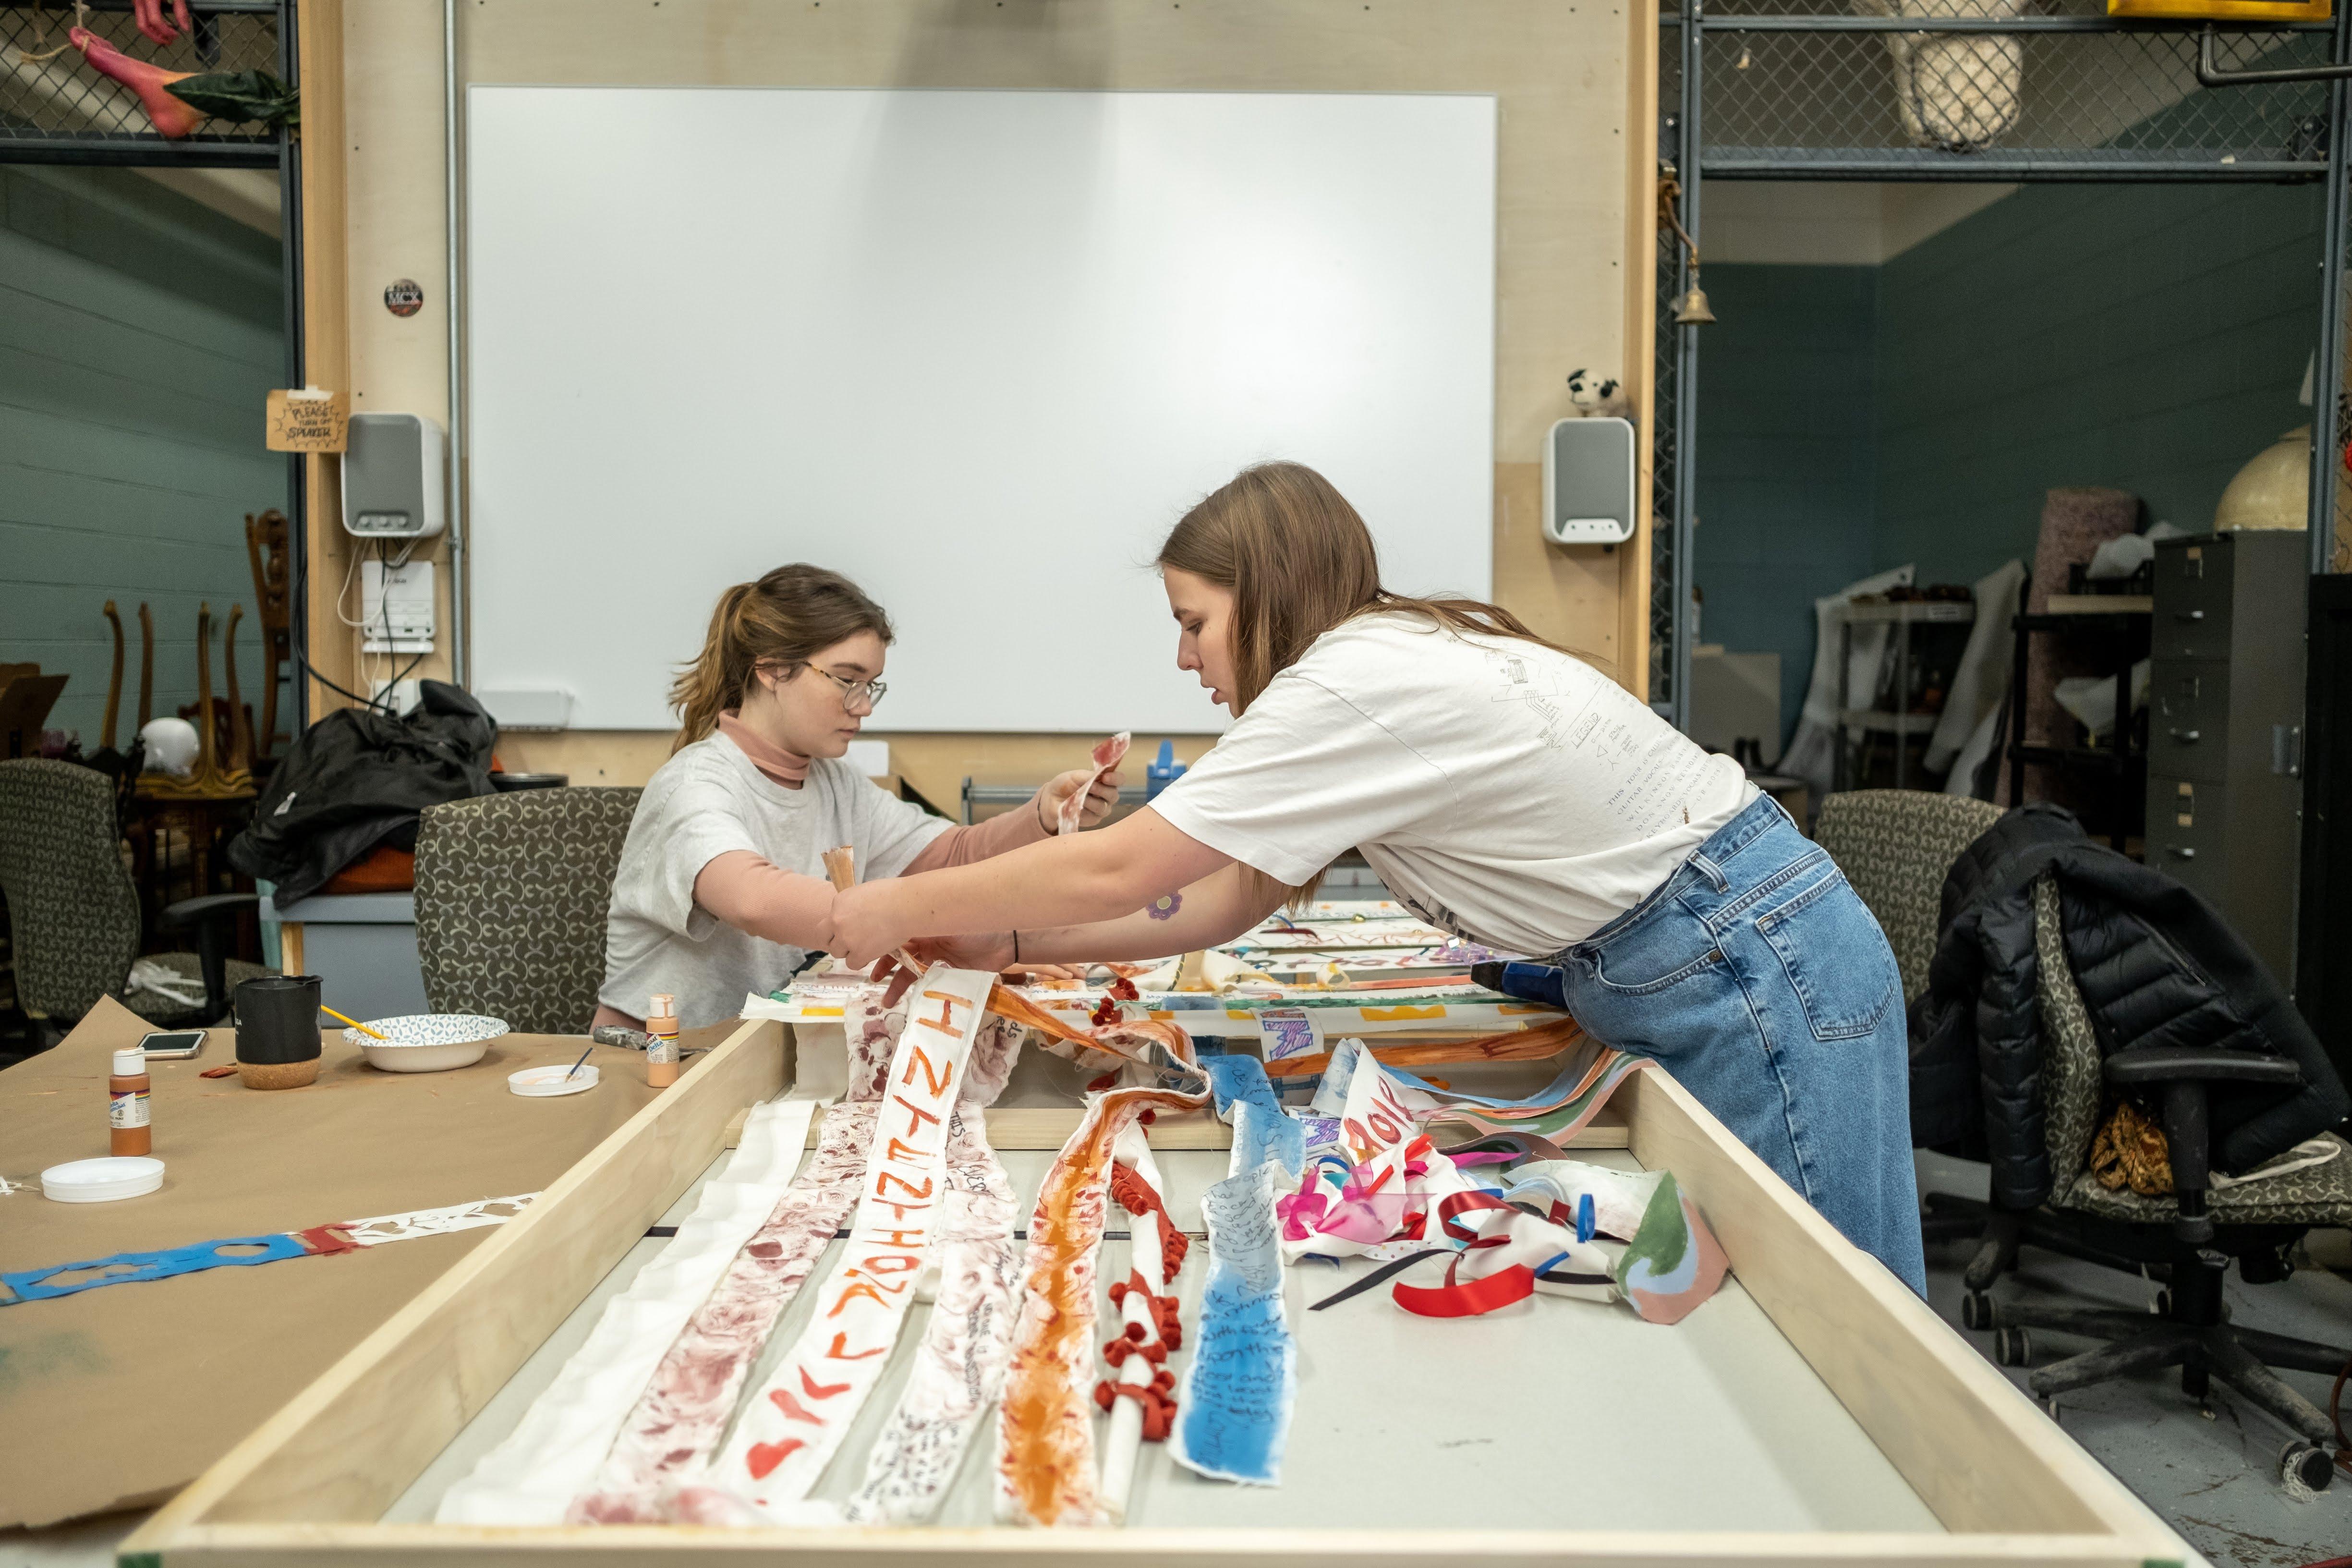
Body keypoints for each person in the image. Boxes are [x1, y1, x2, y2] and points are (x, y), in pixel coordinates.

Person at [827, 463, 1927, 1292]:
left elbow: (1127, 861)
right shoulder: (1376, 662)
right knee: (1749, 1304)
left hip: (1745, 958)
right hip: (1707, 948)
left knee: (1837, 1326)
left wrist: (872, 910)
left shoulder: (1350, 680)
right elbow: (1229, 895)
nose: (1184, 658)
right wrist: (1007, 945)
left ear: (1263, 594)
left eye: (1191, 623)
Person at [594, 565, 1120, 1033]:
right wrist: (912, 922)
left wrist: (1041, 816)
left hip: (756, 1049)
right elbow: (751, 898)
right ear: (772, 669)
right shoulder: (694, 784)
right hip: (656, 1057)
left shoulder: (835, 783)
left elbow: (951, 854)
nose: (864, 706)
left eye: (872, 685)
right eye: (847, 681)